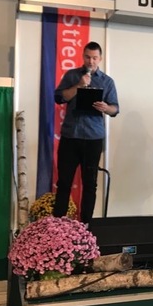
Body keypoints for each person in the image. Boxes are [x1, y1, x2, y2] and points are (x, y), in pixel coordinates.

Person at [53, 41, 119, 224]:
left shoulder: (107, 81)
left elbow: (115, 109)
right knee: (64, 182)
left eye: (95, 58)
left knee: (90, 184)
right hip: (70, 136)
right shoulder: (72, 75)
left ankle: (86, 225)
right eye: (88, 57)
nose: (91, 61)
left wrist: (106, 107)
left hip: (93, 138)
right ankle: (58, 225)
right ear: (83, 56)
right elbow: (59, 97)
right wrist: (79, 86)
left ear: (100, 58)